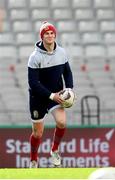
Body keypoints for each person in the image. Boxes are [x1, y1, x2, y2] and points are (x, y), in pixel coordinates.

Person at [28, 21, 74, 168]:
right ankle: (34, 160)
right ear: (42, 36)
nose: (49, 35)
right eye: (46, 33)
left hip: (57, 95)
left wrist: (70, 89)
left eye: (52, 33)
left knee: (62, 122)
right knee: (37, 134)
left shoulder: (61, 52)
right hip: (38, 97)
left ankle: (54, 151)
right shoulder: (34, 57)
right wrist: (51, 96)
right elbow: (33, 84)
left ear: (55, 35)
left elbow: (67, 72)